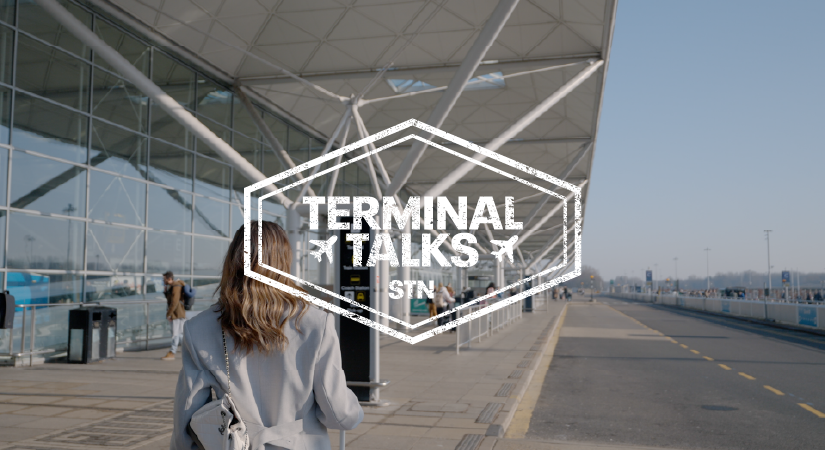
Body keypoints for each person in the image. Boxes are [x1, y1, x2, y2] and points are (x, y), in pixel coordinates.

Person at [171, 221, 363, 449]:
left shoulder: (199, 327)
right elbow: (339, 414)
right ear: (283, 262)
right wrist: (354, 409)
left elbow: (188, 415)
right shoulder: (316, 323)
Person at [161, 271, 186, 361]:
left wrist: (169, 313)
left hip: (176, 314)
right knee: (180, 334)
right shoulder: (172, 287)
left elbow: (174, 302)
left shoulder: (176, 286)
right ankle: (187, 351)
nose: (163, 281)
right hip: (178, 313)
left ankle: (172, 352)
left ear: (169, 278)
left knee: (176, 334)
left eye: (164, 279)